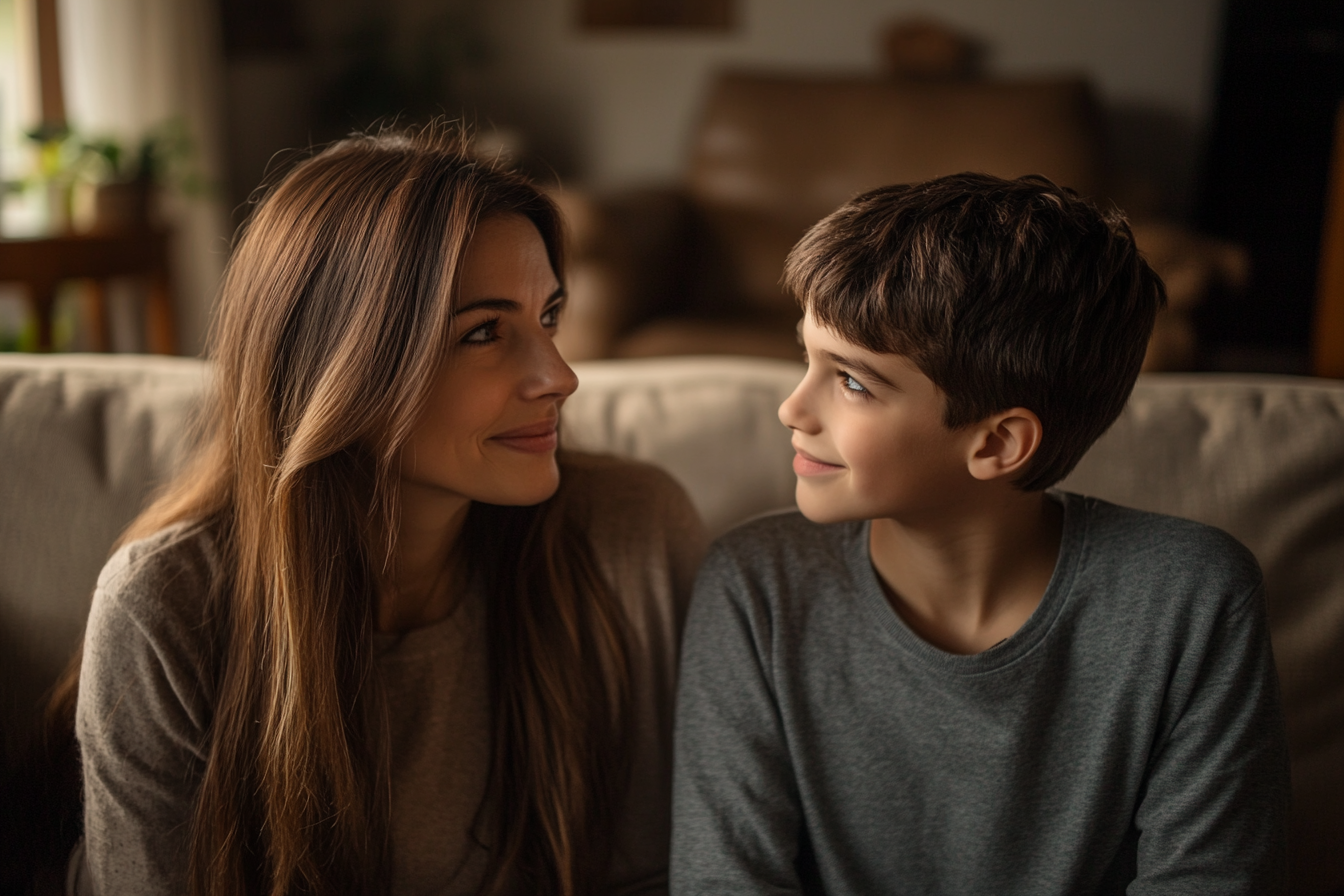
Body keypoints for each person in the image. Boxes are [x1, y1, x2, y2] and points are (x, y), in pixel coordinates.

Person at [70, 127, 705, 896]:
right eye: (483, 333)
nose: (560, 376)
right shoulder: (162, 609)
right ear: (340, 366)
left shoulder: (629, 532)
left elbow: (655, 877)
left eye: (549, 319)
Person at [670, 174, 1290, 895]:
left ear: (998, 445)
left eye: (853, 382)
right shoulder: (754, 586)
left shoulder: (1192, 598)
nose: (791, 408)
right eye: (807, 359)